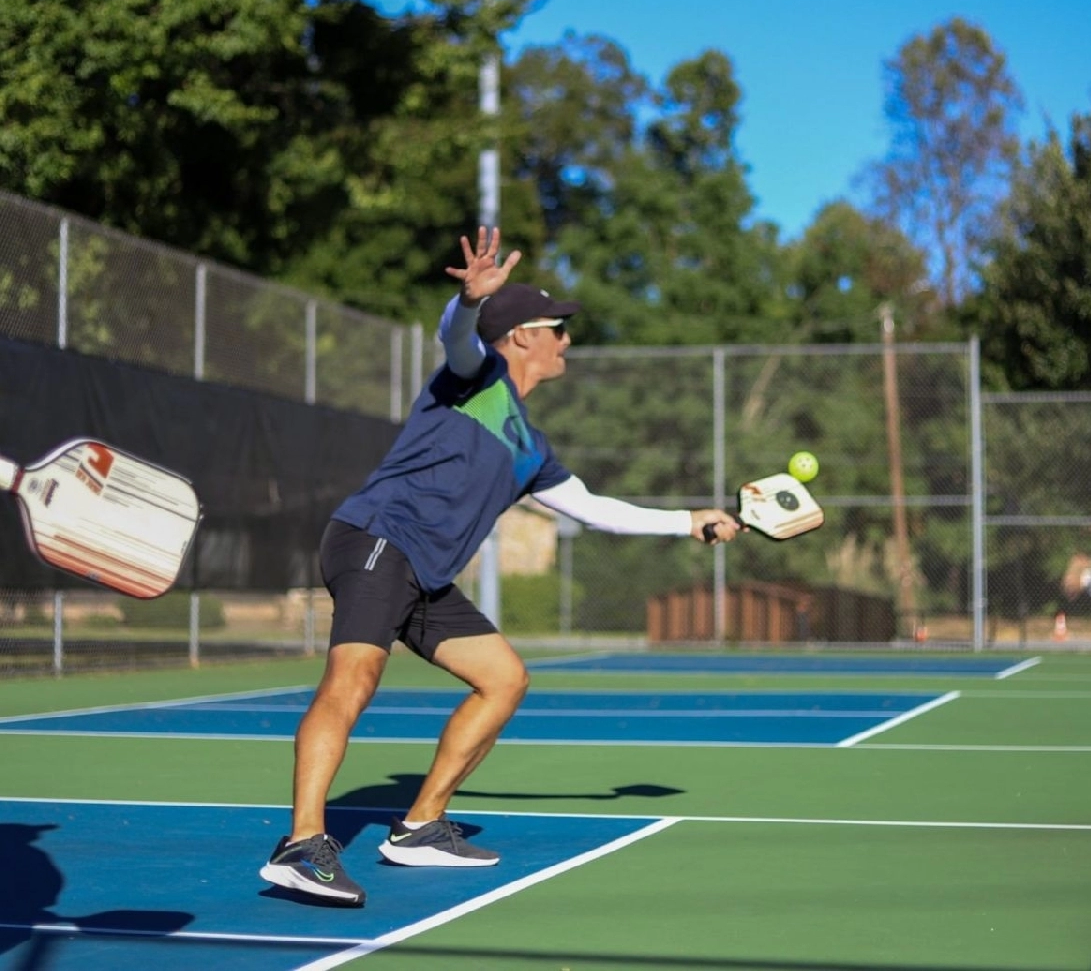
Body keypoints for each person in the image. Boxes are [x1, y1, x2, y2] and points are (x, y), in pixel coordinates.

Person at [259, 227, 741, 906]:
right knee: (355, 675)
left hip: (422, 570)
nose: (566, 340)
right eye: (556, 328)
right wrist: (466, 301)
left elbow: (593, 508)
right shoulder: (472, 374)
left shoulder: (529, 444)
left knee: (504, 678)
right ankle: (303, 845)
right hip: (377, 537)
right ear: (520, 337)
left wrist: (687, 522)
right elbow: (456, 336)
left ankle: (420, 825)